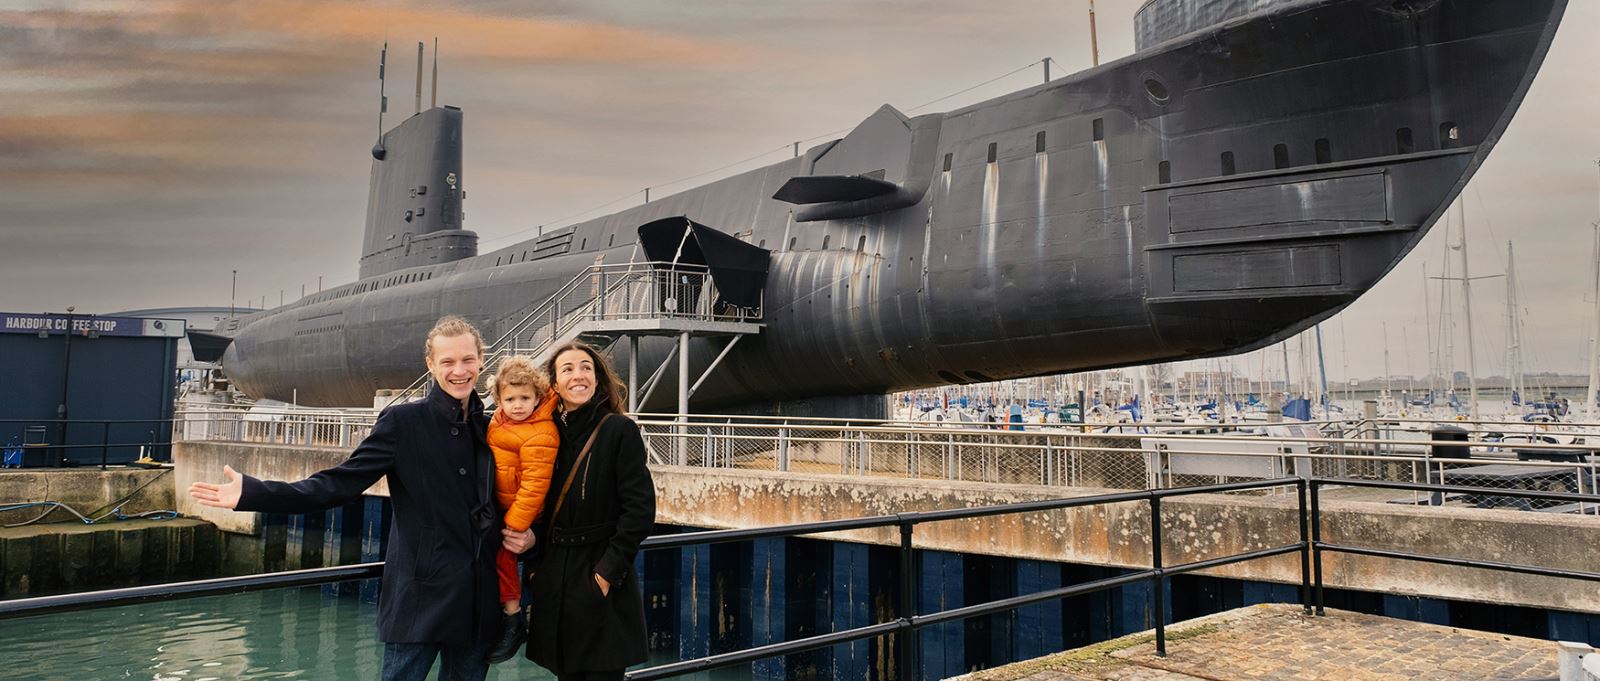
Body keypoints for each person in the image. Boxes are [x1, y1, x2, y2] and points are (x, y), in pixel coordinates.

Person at [188, 316, 532, 681]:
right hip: (420, 600)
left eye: (467, 360)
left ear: (481, 360)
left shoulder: (492, 427)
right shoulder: (403, 423)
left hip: (477, 602)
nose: (459, 371)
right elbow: (338, 484)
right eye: (447, 362)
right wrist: (255, 492)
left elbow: (518, 495)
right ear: (430, 365)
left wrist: (530, 536)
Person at [524, 340, 656, 681]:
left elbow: (639, 510)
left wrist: (605, 575)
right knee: (565, 674)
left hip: (598, 576)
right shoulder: (548, 434)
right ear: (554, 384)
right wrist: (537, 568)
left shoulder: (618, 430)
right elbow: (537, 503)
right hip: (555, 577)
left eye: (586, 368)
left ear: (598, 379)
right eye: (567, 369)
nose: (578, 375)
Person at [482, 355, 559, 664]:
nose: (517, 405)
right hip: (502, 507)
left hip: (521, 513)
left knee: (504, 558)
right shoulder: (497, 421)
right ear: (498, 399)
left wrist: (515, 524)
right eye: (510, 399)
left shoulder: (541, 432)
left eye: (525, 398)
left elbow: (535, 485)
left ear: (538, 397)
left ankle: (514, 619)